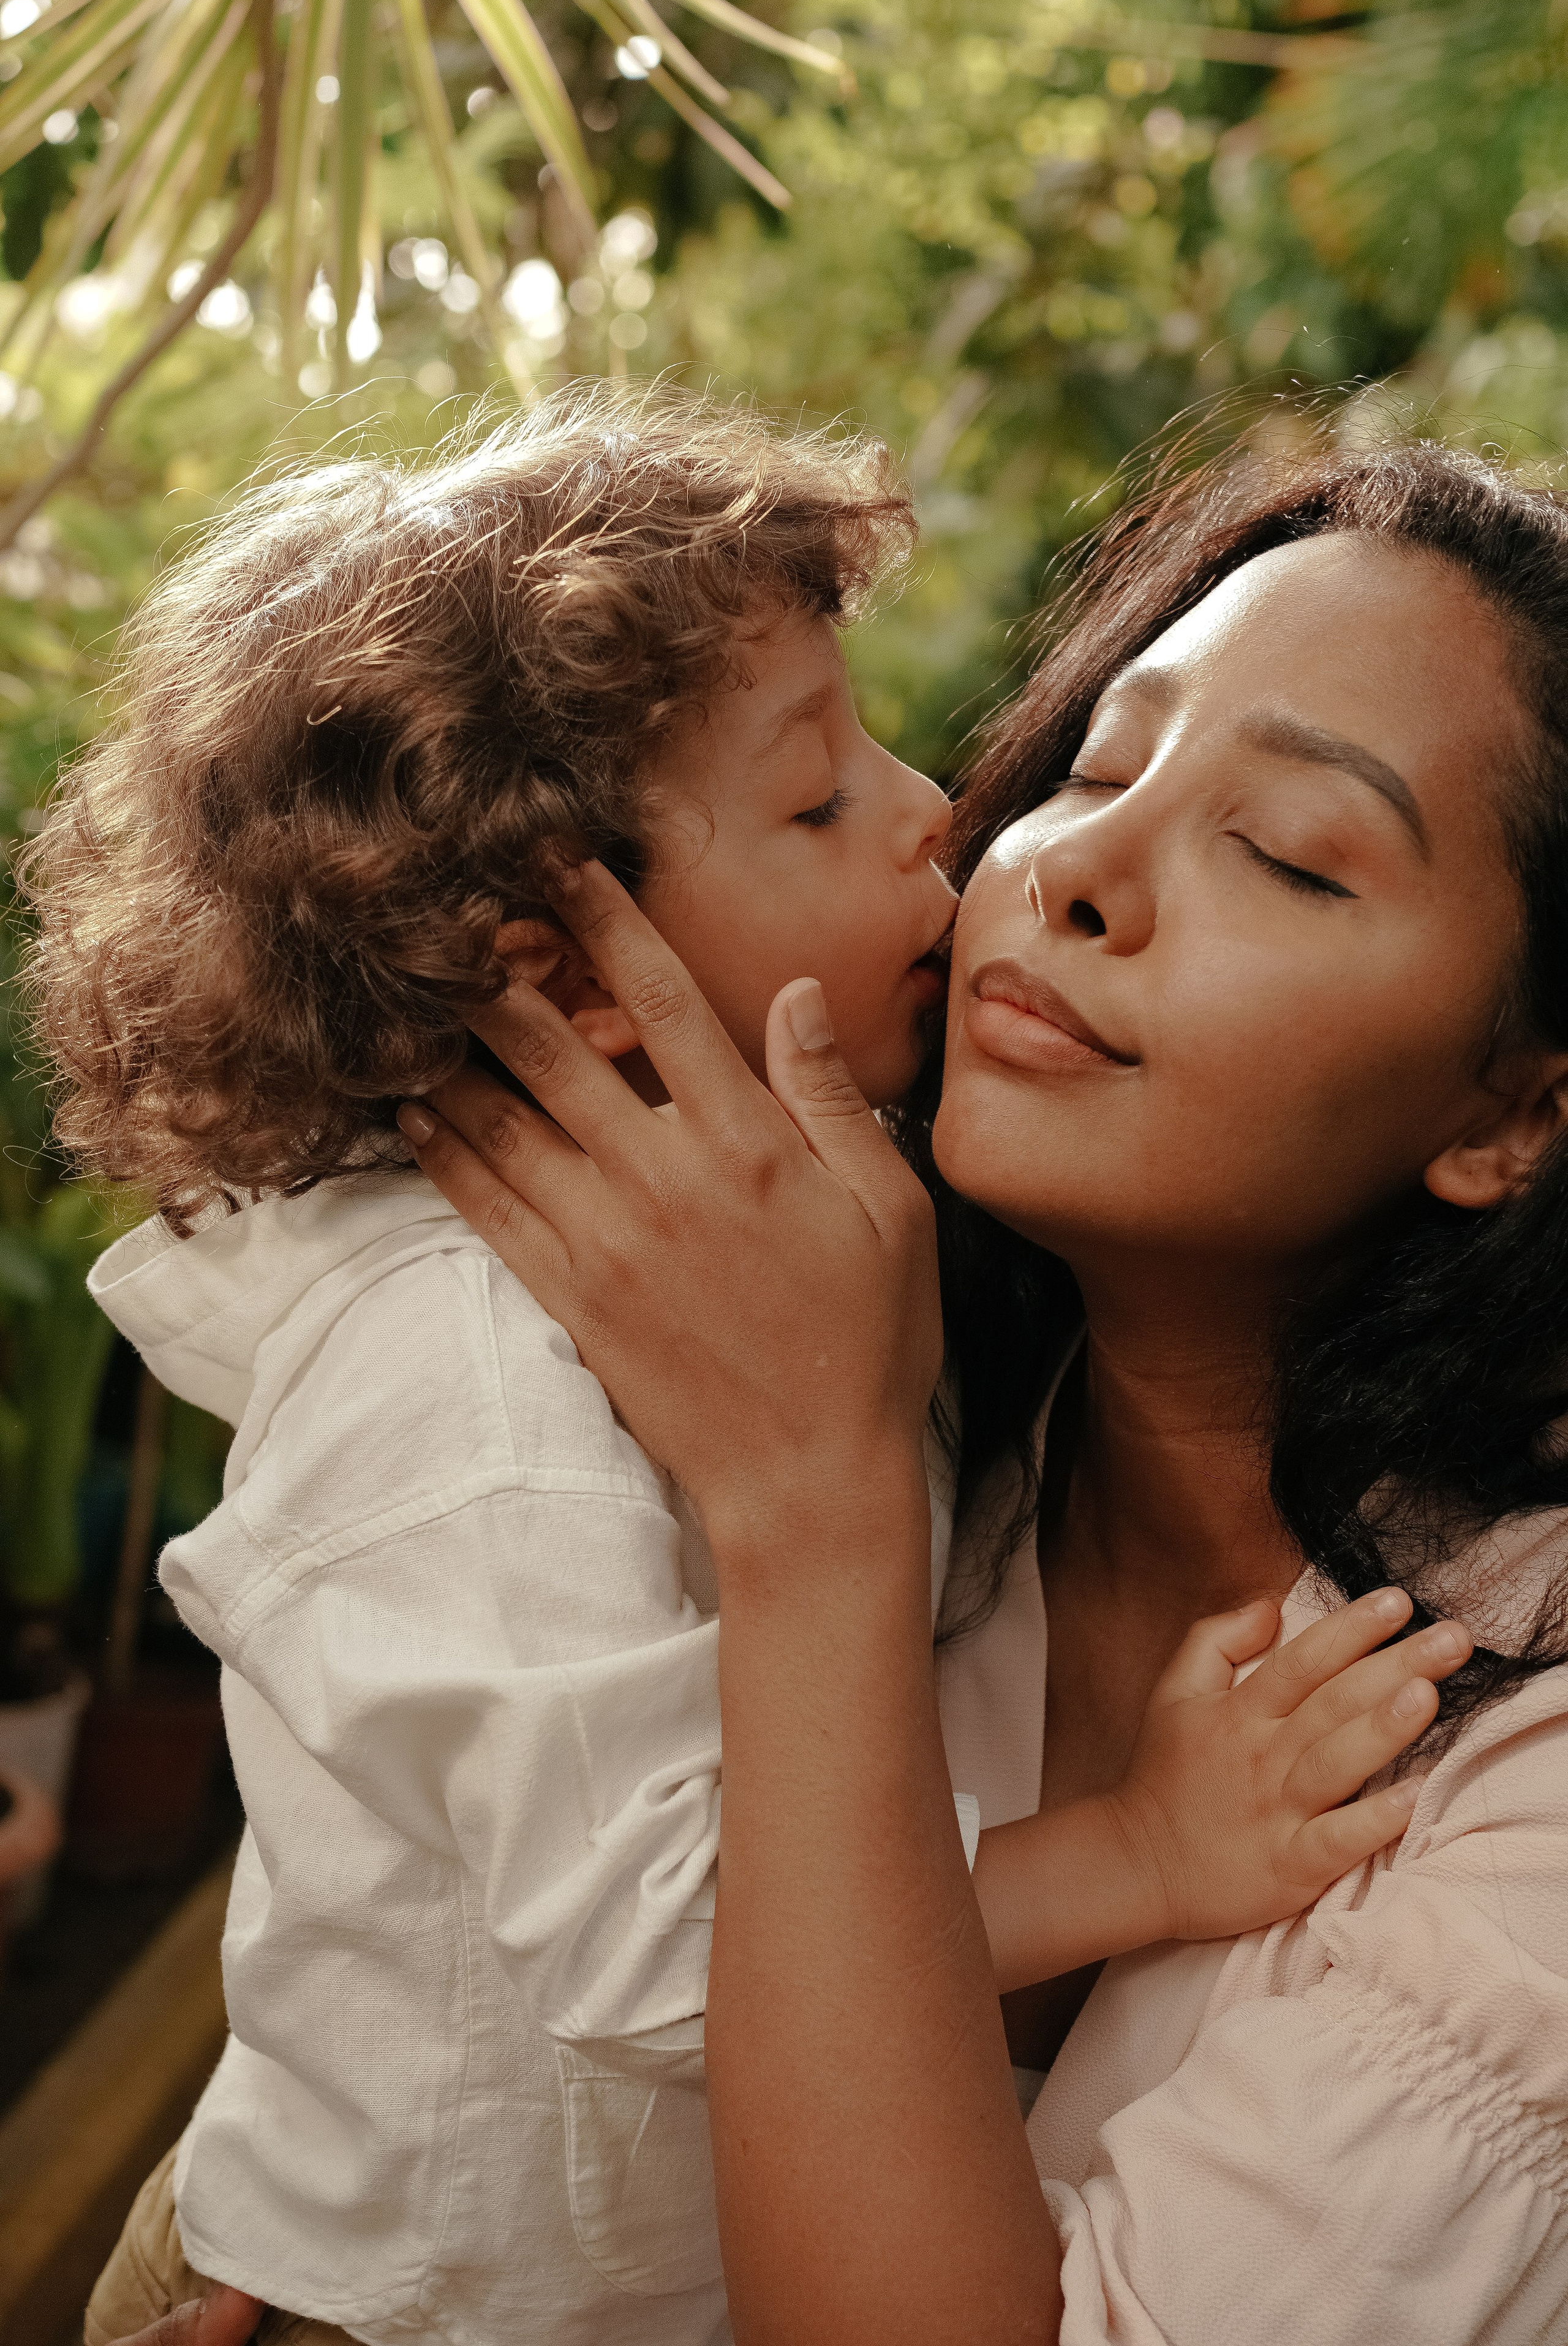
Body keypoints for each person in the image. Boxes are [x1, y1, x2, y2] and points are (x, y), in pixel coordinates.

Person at [41, 388, 1447, 2346]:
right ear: (560, 969)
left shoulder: (831, 1254)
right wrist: (1140, 1851)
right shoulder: (464, 1379)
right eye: (814, 798)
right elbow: (685, 1947)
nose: (938, 805)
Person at [397, 436, 1568, 2344]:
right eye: (1106, 761)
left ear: (1513, 1112)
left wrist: (815, 1525)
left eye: (1283, 850)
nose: (1065, 869)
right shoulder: (828, 1381)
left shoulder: (1530, 1789)